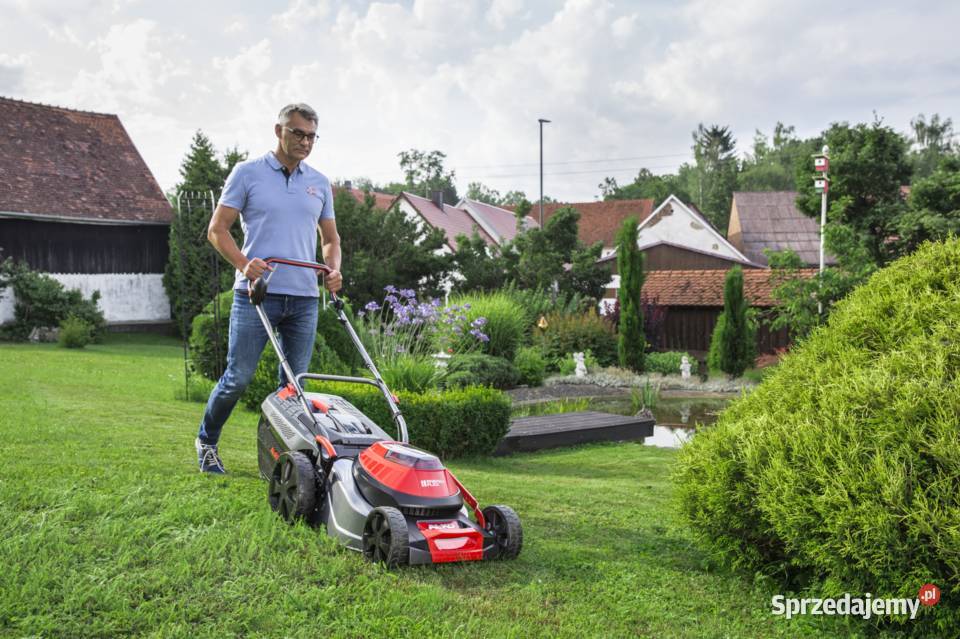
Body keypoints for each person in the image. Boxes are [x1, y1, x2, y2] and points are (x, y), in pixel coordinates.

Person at [195, 103, 342, 474]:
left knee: (292, 389)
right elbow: (217, 230)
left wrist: (333, 269)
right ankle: (207, 441)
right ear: (278, 131)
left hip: (305, 298)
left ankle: (279, 460)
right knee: (237, 378)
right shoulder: (247, 174)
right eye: (297, 133)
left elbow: (330, 239)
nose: (305, 142)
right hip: (256, 294)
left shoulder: (319, 182)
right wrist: (245, 264)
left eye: (311, 136)